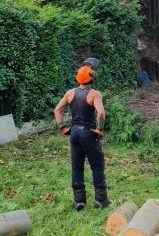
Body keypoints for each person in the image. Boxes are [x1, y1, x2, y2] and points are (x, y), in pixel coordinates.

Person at [54, 58, 109, 211]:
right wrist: (100, 129)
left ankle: (80, 202)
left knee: (77, 168)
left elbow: (57, 110)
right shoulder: (94, 94)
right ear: (91, 77)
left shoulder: (70, 93)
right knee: (97, 166)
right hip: (88, 134)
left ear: (77, 77)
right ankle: (101, 200)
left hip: (74, 134)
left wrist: (63, 128)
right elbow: (101, 114)